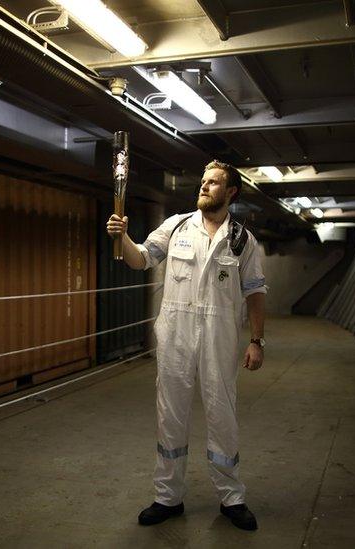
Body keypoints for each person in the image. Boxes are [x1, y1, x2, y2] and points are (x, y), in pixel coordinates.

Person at [106, 160, 267, 531]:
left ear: (231, 193)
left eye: (213, 183)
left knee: (222, 416)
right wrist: (123, 237)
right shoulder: (177, 226)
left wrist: (256, 340)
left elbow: (255, 292)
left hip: (219, 338)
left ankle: (232, 498)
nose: (205, 186)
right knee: (171, 416)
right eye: (203, 181)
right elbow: (141, 259)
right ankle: (168, 497)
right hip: (175, 336)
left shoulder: (242, 239)